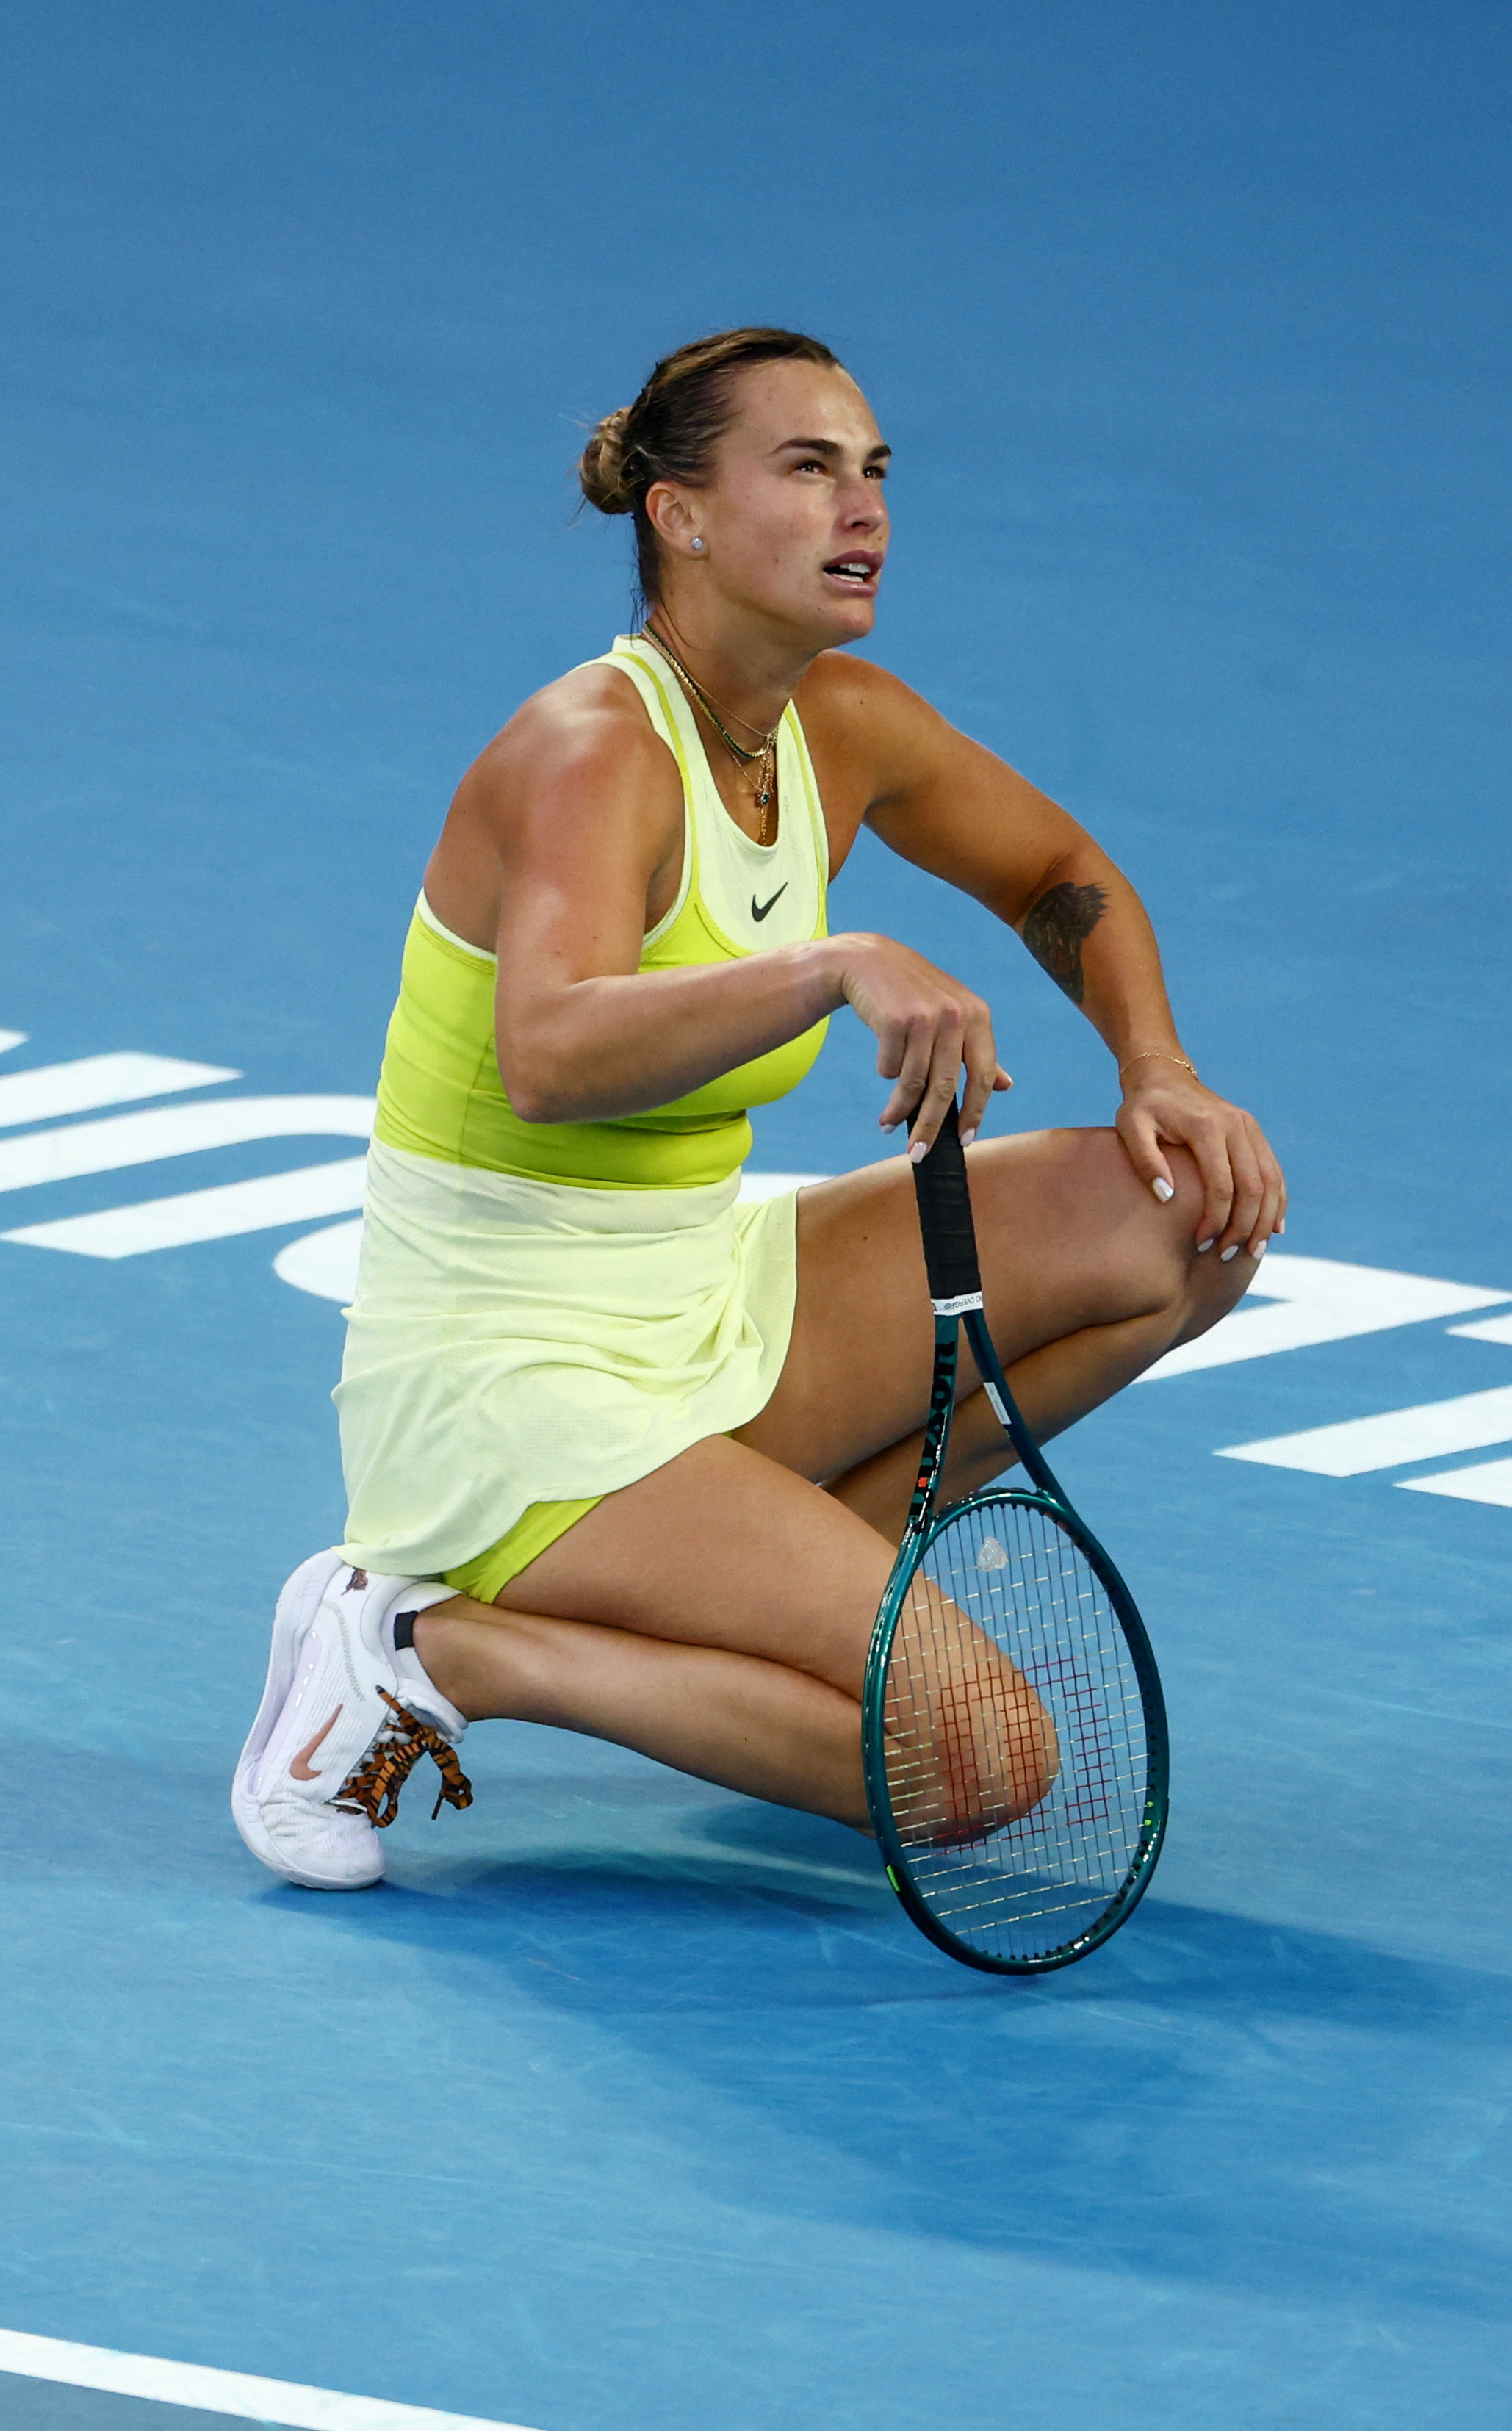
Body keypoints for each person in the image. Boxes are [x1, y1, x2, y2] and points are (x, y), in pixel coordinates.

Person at [231, 328, 1287, 1890]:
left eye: (874, 472)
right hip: (512, 1372)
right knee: (982, 1765)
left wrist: (1161, 1068)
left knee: (1186, 1218)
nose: (863, 509)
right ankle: (434, 1646)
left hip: (700, 1290)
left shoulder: (840, 726)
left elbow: (1061, 874)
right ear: (682, 516)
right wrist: (829, 965)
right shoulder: (592, 751)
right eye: (807, 469)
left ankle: (748, 1571)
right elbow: (552, 1052)